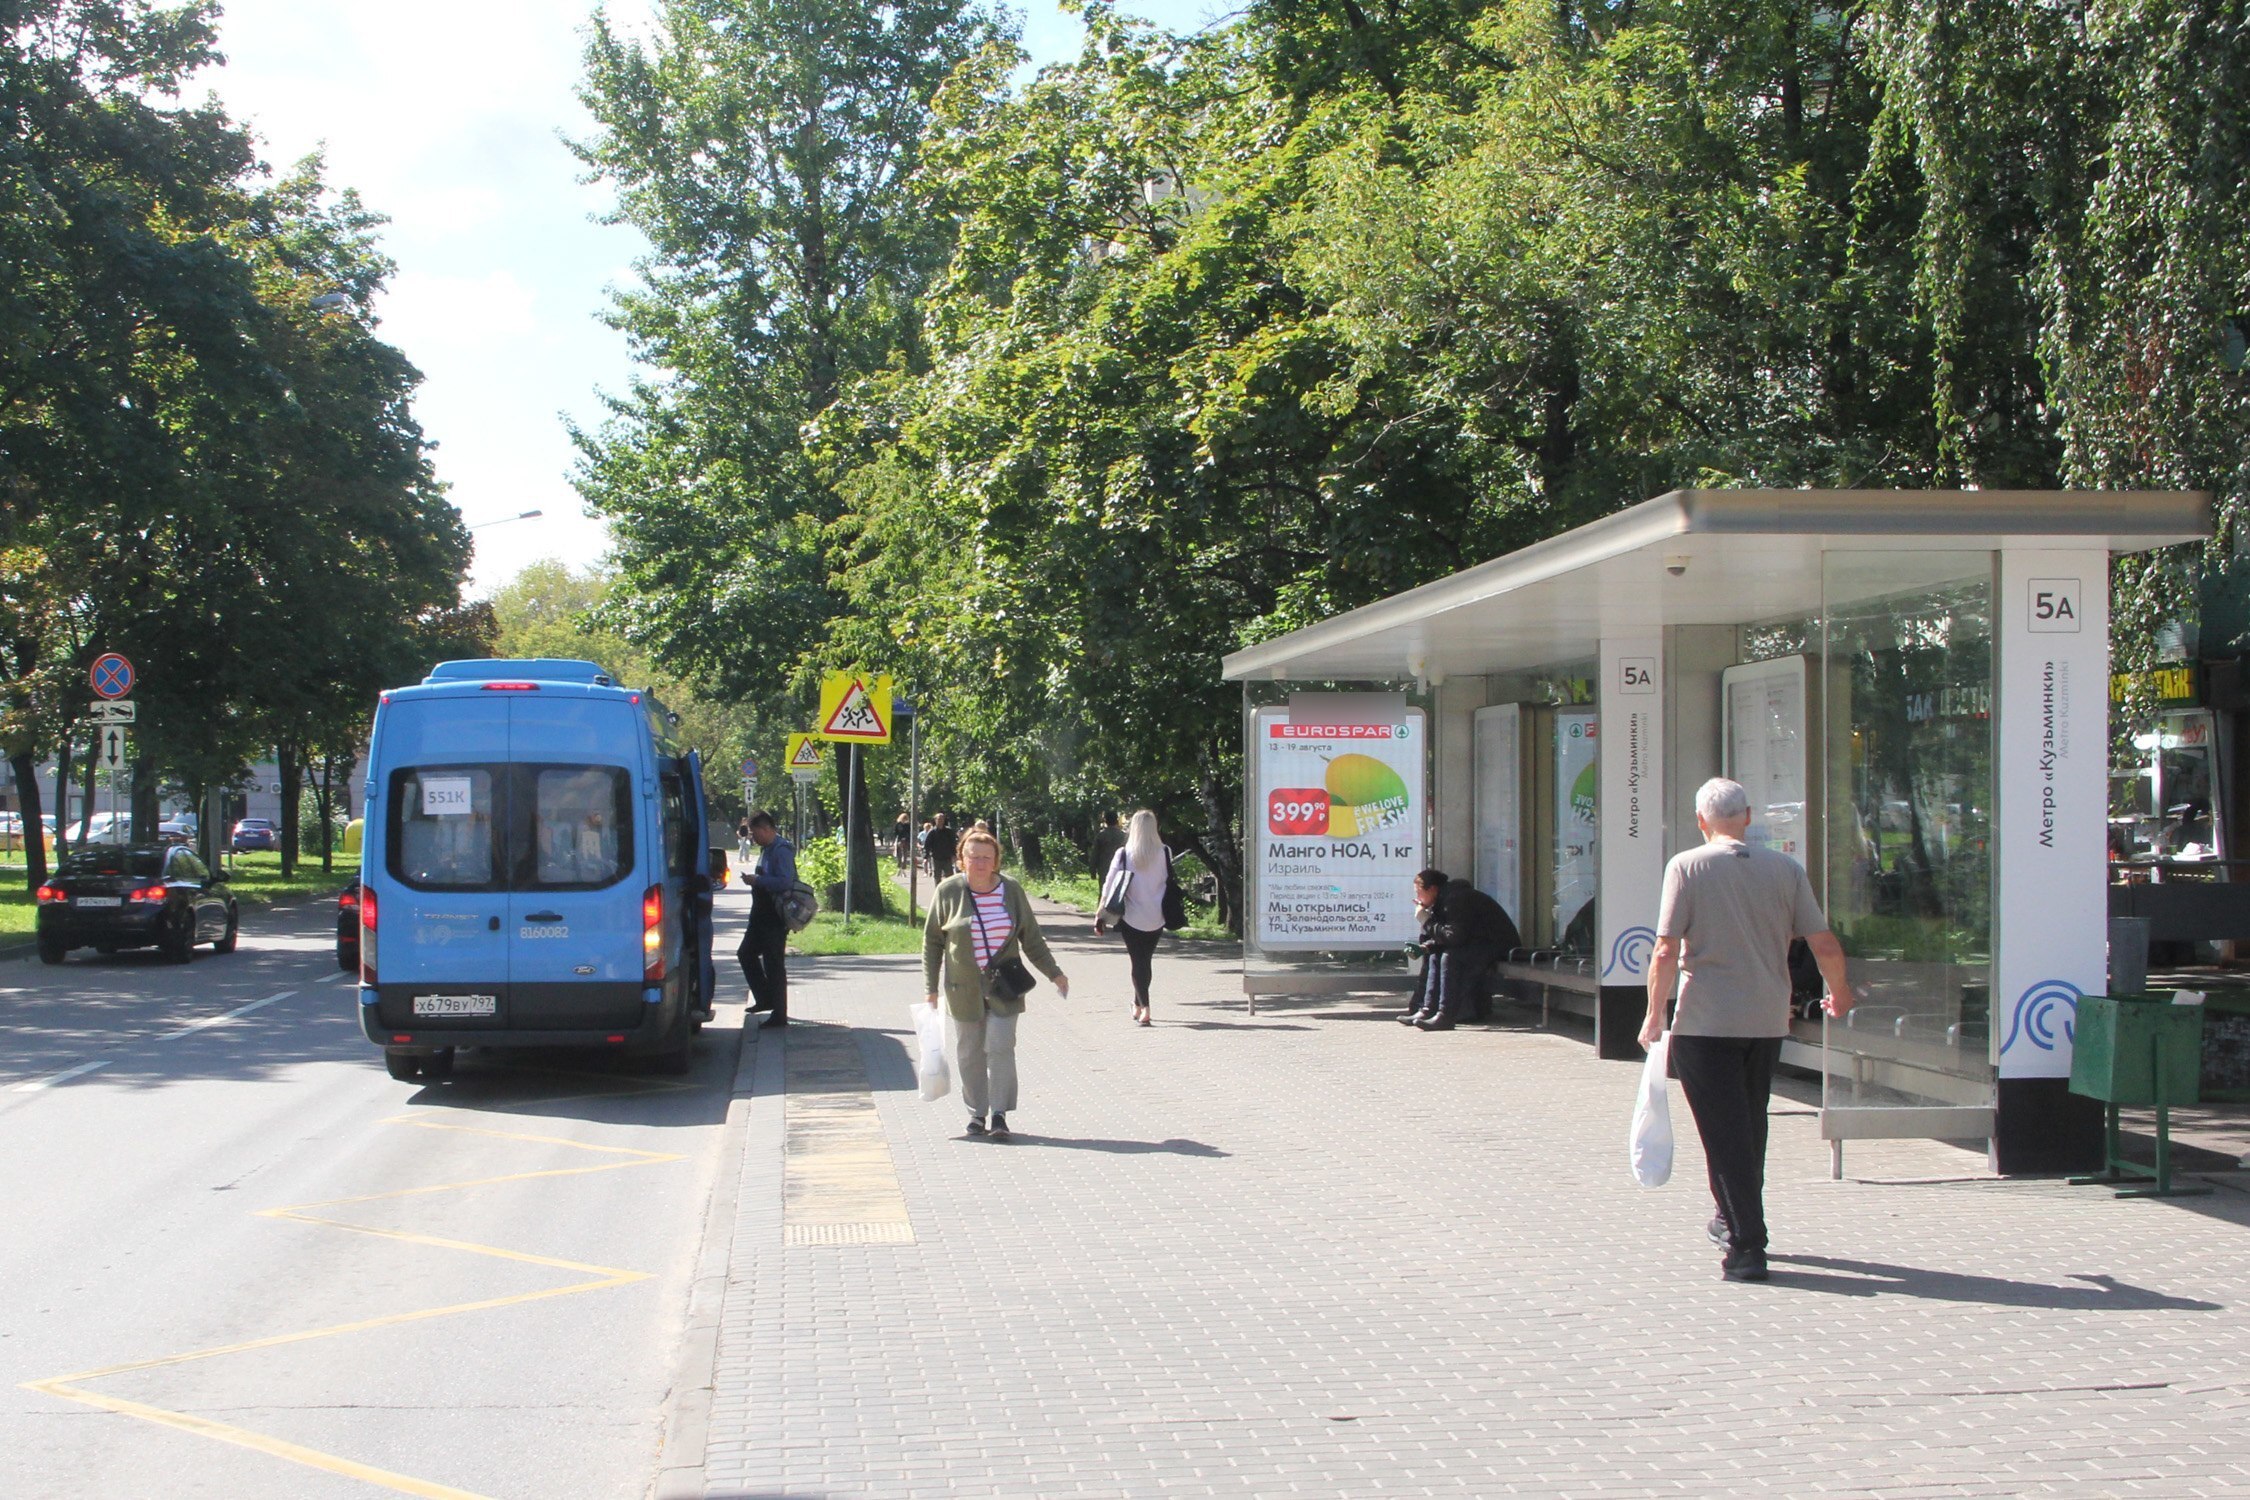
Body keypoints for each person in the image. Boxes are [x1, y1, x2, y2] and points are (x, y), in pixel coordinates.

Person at [1640, 777, 1853, 1283]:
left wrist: (1653, 1013)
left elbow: (1666, 949)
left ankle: (1746, 1245)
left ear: (1700, 820)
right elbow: (1823, 941)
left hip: (1705, 1022)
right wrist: (1840, 991)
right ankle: (1729, 1216)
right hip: (1766, 1020)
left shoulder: (1686, 866)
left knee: (1724, 1134)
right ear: (1749, 817)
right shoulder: (1785, 869)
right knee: (1750, 1125)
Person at [925, 828, 1068, 1137]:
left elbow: (1031, 938)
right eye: (973, 857)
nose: (980, 863)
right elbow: (932, 943)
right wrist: (930, 989)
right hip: (963, 989)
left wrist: (1054, 973)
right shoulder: (948, 891)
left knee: (1001, 1047)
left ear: (996, 861)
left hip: (1004, 988)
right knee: (969, 1053)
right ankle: (977, 1114)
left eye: (986, 858)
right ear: (961, 859)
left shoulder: (1011, 890)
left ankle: (999, 1114)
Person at [1399, 869, 1521, 1031]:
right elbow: (1452, 935)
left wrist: (1426, 920)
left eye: (1419, 892)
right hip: (1478, 943)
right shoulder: (1444, 900)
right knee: (1435, 955)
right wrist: (1427, 946)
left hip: (1499, 946)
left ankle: (1445, 1016)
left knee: (1450, 957)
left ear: (1433, 889)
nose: (1418, 898)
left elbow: (1454, 937)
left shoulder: (1455, 900)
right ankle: (1427, 1010)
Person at [1095, 809, 1185, 1025]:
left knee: (1138, 962)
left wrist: (1100, 913)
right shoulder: (1165, 852)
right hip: (1157, 916)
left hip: (1131, 916)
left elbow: (1109, 884)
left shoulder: (1124, 854)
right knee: (1145, 961)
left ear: (1133, 828)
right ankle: (1137, 1005)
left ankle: (1145, 1008)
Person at [739, 810, 796, 1030]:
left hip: (774, 915)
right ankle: (764, 998)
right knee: (745, 953)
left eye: (755, 833)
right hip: (760, 914)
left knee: (774, 963)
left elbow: (785, 881)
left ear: (766, 829)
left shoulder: (781, 850)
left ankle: (779, 1014)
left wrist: (758, 880)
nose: (753, 838)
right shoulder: (767, 849)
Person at [1088, 811, 1125, 882]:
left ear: (1106, 821)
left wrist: (1092, 871)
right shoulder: (1124, 836)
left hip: (1104, 869)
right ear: (1117, 821)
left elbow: (1095, 855)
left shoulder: (1101, 836)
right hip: (1121, 869)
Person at [923, 812, 959, 881]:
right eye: (939, 819)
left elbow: (953, 843)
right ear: (935, 820)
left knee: (949, 878)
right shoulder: (932, 832)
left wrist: (954, 854)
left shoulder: (949, 831)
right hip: (936, 858)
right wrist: (926, 857)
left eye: (942, 819)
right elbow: (927, 845)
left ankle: (949, 888)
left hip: (947, 858)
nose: (940, 821)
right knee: (937, 877)